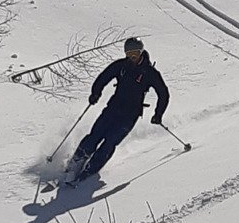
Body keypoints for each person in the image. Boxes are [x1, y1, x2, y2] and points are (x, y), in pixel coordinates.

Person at [66, 37, 169, 184]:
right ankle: (76, 162)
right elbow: (103, 78)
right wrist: (96, 93)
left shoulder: (149, 72)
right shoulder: (121, 66)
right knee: (95, 134)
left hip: (130, 114)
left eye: (135, 53)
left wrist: (158, 114)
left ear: (141, 52)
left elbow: (163, 93)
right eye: (129, 54)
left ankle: (91, 168)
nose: (132, 57)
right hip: (113, 108)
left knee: (110, 141)